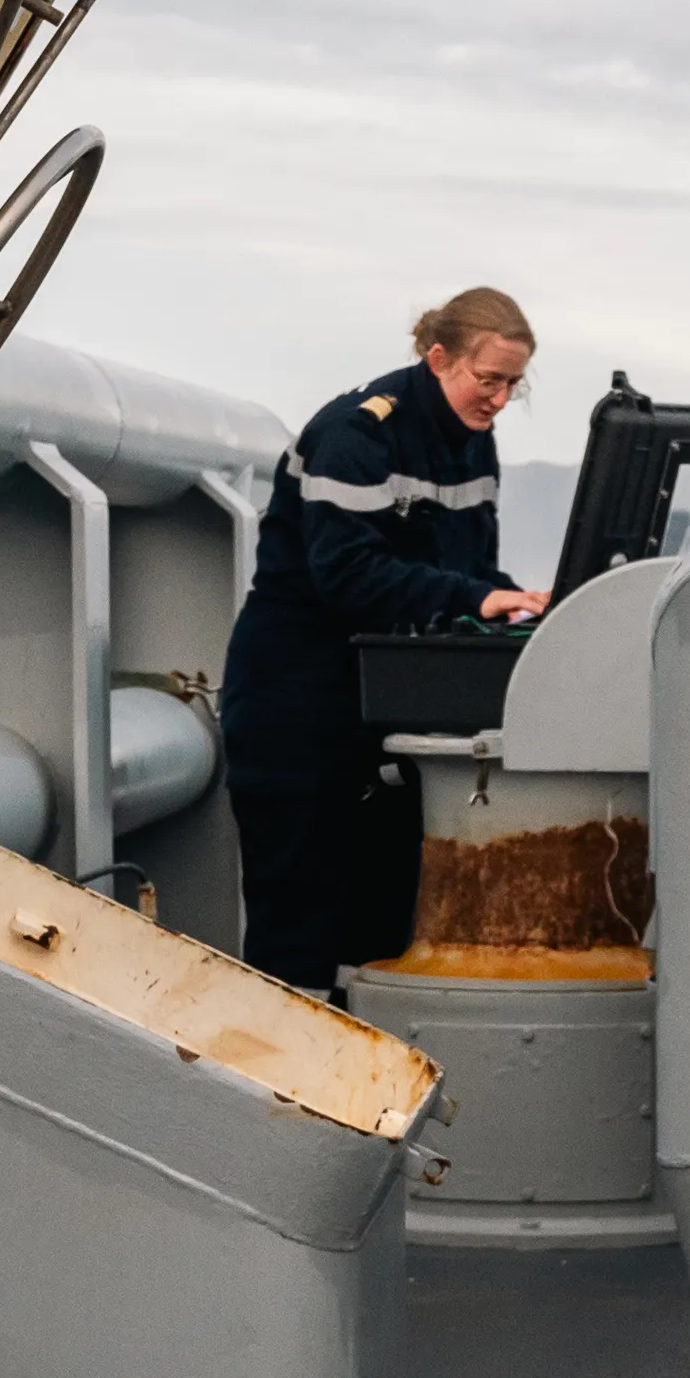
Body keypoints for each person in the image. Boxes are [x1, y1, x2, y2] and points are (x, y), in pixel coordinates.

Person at [221, 287, 555, 988]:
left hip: (387, 715)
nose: (497, 399)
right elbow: (347, 573)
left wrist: (510, 603)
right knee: (298, 928)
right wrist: (473, 597)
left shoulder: (472, 446)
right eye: (487, 379)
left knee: (380, 928)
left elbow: (468, 570)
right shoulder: (357, 435)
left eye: (512, 386)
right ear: (439, 357)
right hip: (300, 710)